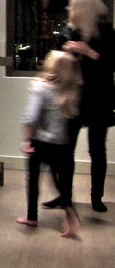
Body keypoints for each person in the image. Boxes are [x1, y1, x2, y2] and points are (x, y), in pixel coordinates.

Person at [44, 0, 115, 212]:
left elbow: (112, 63)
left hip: (99, 97)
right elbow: (56, 64)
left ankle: (96, 198)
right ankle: (64, 196)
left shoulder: (106, 32)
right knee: (65, 149)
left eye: (72, 5)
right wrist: (65, 54)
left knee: (97, 150)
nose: (67, 9)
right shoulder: (67, 32)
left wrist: (90, 53)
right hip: (72, 96)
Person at [18, 50, 81, 237]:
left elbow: (31, 116)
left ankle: (32, 217)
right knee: (60, 183)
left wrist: (26, 139)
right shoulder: (69, 89)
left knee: (33, 179)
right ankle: (71, 215)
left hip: (40, 141)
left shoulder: (40, 87)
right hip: (61, 143)